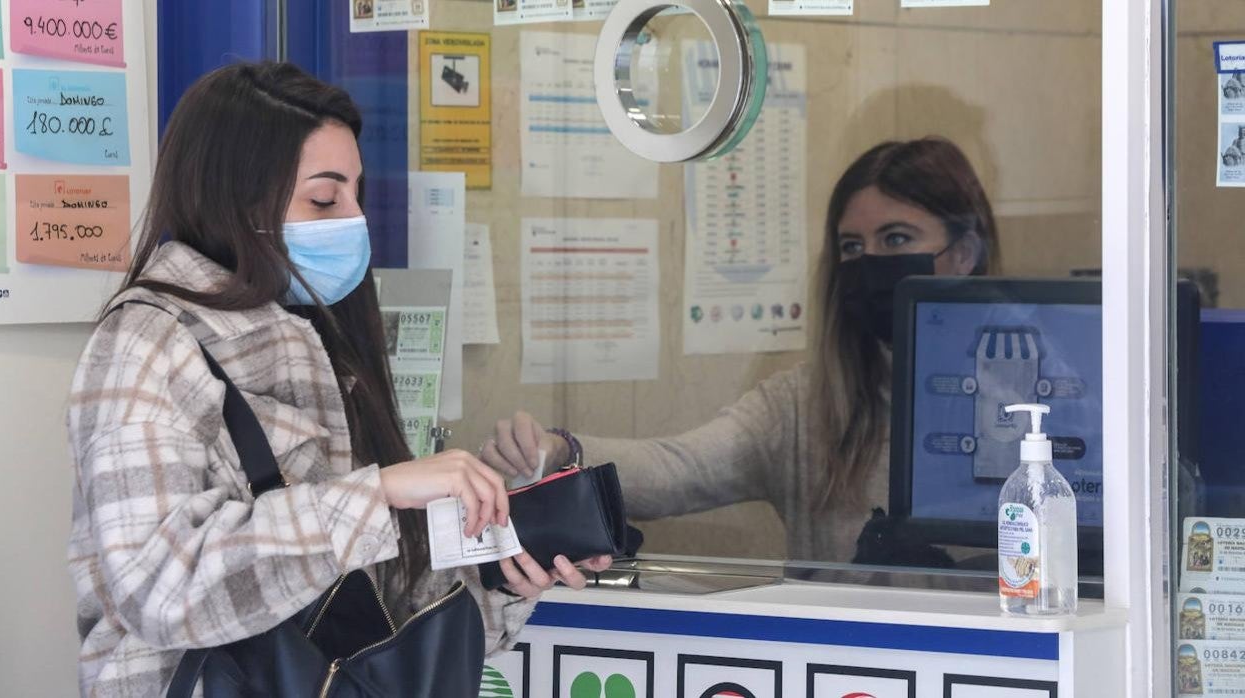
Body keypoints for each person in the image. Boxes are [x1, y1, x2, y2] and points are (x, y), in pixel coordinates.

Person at [66, 61, 609, 696]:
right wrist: (377, 494)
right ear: (234, 196)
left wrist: (500, 568)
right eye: (325, 197)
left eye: (356, 194)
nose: (355, 219)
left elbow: (370, 627)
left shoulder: (323, 338)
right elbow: (158, 587)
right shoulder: (146, 340)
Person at [482, 137, 999, 563]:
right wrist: (560, 452)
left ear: (963, 255)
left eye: (896, 238)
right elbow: (676, 470)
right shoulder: (803, 406)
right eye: (852, 247)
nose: (869, 263)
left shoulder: (1031, 401)